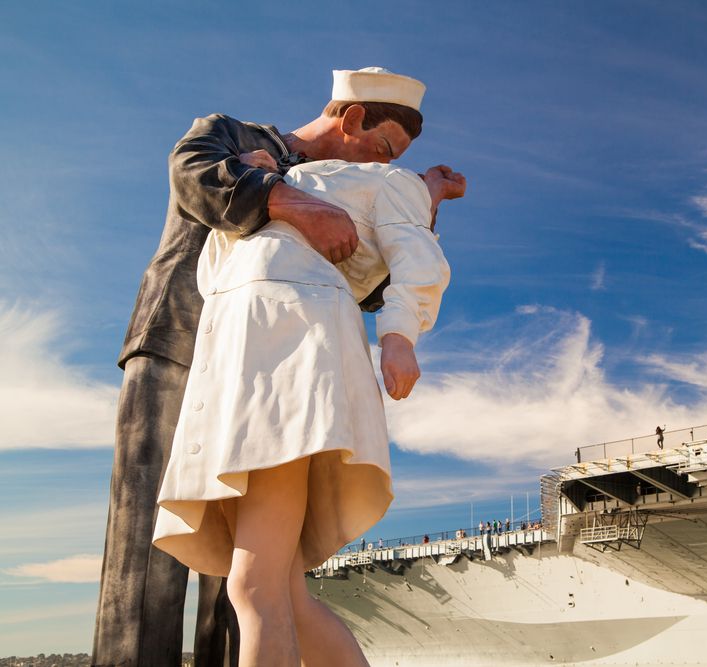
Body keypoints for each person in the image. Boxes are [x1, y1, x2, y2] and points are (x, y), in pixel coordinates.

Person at [94, 66, 456, 666]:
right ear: (353, 116)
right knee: (149, 553)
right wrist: (281, 194)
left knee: (242, 584)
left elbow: (379, 268)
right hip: (183, 341)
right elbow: (195, 176)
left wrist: (419, 202)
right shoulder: (234, 136)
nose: (378, 162)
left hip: (277, 353)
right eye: (382, 148)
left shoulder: (362, 183)